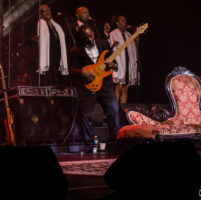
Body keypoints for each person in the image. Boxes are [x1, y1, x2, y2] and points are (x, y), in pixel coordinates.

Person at [70, 24, 120, 152]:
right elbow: (71, 69)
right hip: (87, 87)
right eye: (86, 38)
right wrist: (82, 72)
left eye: (91, 36)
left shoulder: (104, 44)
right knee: (86, 115)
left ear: (93, 33)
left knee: (113, 111)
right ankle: (89, 145)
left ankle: (114, 143)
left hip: (105, 85)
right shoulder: (75, 51)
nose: (90, 39)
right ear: (81, 38)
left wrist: (113, 65)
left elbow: (114, 64)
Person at [108, 15, 139, 103]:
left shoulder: (129, 35)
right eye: (122, 21)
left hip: (128, 64)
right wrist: (112, 45)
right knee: (118, 88)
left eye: (125, 21)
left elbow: (134, 49)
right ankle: (115, 110)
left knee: (125, 89)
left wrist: (136, 36)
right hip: (119, 63)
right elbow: (107, 49)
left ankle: (122, 112)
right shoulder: (113, 34)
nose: (125, 23)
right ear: (117, 23)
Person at [37, 4, 69, 86]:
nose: (47, 12)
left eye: (48, 9)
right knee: (52, 70)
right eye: (44, 10)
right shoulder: (40, 24)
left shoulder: (56, 25)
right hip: (49, 51)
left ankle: (61, 84)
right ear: (41, 14)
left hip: (58, 51)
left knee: (58, 67)